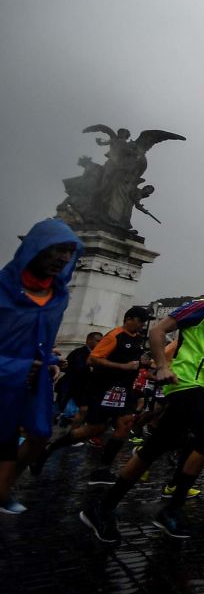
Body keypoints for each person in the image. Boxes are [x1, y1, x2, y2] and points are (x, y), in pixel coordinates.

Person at [80, 266, 204, 540]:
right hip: (184, 381)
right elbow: (158, 331)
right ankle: (172, 509)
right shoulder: (203, 306)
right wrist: (162, 366)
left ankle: (103, 506)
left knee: (154, 448)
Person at [0, 220, 83, 514]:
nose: (63, 258)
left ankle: (3, 487)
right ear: (35, 248)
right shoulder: (3, 289)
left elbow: (40, 339)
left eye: (69, 252)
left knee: (39, 434)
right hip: (6, 374)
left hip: (34, 379)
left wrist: (49, 360)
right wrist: (17, 366)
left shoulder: (58, 296)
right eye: (58, 249)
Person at [35, 306, 150, 481]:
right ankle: (50, 448)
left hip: (124, 390)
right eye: (140, 321)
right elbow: (93, 359)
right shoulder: (114, 336)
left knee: (125, 425)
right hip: (104, 388)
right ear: (129, 319)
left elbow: (135, 363)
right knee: (95, 428)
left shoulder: (139, 340)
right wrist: (122, 367)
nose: (142, 325)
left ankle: (102, 470)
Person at [55, 331, 101, 428]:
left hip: (82, 389)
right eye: (98, 341)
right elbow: (76, 368)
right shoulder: (79, 352)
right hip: (71, 387)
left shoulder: (96, 355)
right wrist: (90, 369)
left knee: (78, 411)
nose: (100, 343)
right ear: (89, 340)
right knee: (58, 409)